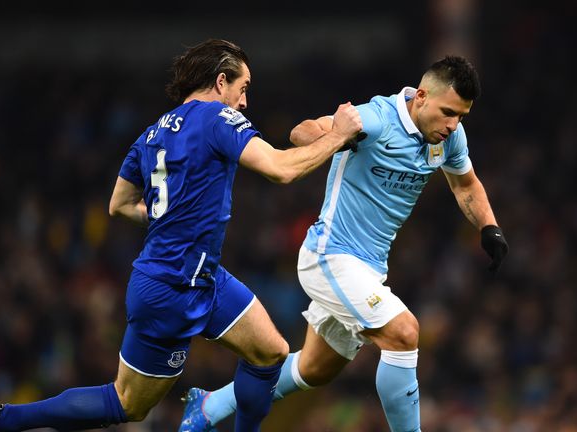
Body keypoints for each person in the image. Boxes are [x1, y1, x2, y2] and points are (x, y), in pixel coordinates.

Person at [0, 38, 363, 432]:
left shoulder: (150, 135)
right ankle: (12, 419)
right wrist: (338, 136)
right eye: (243, 88)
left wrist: (162, 215)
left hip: (196, 277)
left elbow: (119, 205)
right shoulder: (217, 118)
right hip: (172, 287)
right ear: (221, 81)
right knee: (128, 404)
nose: (244, 102)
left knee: (270, 352)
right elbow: (281, 169)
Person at [179, 55, 509, 432]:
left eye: (462, 116)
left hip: (369, 269)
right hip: (331, 256)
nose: (453, 125)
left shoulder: (449, 139)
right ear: (421, 96)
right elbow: (300, 132)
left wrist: (489, 227)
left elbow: (465, 184)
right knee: (404, 332)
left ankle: (209, 405)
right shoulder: (376, 119)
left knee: (314, 369)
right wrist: (337, 134)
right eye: (448, 112)